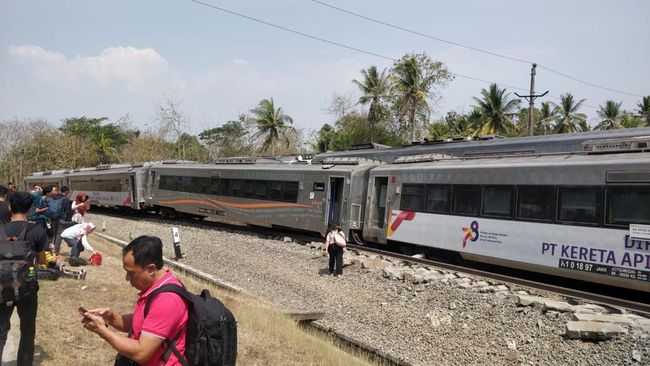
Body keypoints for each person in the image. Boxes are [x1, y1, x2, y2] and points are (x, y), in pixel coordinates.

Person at [80, 236, 189, 366]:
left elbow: (141, 353)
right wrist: (112, 318)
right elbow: (145, 323)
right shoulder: (157, 286)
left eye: (131, 273)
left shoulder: (167, 300)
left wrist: (101, 330)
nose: (127, 278)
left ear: (151, 269)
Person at [0, 192, 48, 365]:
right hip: (27, 287)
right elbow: (42, 260)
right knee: (27, 330)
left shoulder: (0, 229)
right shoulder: (37, 230)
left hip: (2, 287)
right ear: (30, 208)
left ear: (10, 207)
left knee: (0, 329)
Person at [53, 186, 74, 254]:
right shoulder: (66, 199)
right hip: (61, 219)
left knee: (55, 234)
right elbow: (68, 212)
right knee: (59, 235)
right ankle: (56, 251)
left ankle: (53, 248)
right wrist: (69, 221)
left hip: (53, 218)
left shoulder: (54, 197)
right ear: (66, 191)